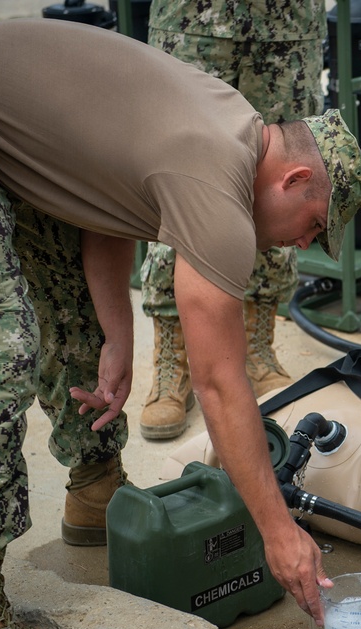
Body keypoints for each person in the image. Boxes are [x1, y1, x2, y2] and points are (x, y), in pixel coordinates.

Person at [0, 18, 361, 629]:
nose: (306, 245)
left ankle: (98, 493)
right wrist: (278, 532)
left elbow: (106, 194)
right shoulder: (216, 180)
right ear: (292, 180)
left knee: (66, 300)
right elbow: (220, 382)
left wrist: (119, 334)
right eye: (314, 224)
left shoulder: (231, 125)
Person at [139, 0, 327, 440]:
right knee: (180, 174)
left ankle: (257, 346)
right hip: (192, 20)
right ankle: (172, 359)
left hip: (287, 24)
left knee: (284, 180)